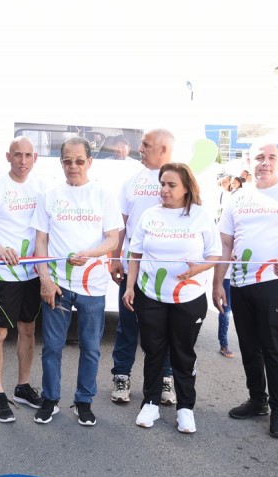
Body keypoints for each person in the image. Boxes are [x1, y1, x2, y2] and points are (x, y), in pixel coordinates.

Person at [213, 139, 278, 439]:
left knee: (274, 349)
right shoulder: (237, 198)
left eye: (271, 157)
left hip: (273, 284)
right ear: (249, 162)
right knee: (248, 347)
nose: (265, 162)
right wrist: (218, 283)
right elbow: (226, 245)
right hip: (240, 284)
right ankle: (258, 400)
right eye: (259, 157)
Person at [122, 163, 221, 433]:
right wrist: (130, 287)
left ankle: (186, 408)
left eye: (171, 185)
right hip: (150, 296)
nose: (164, 189)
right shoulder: (150, 215)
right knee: (153, 351)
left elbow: (215, 254)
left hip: (189, 298)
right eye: (162, 184)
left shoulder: (200, 216)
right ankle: (150, 403)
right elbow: (135, 254)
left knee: (183, 354)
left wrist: (197, 269)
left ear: (186, 188)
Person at [32, 137, 122, 426]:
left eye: (79, 161)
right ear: (61, 163)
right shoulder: (49, 196)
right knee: (52, 347)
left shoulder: (104, 195)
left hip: (93, 286)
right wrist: (45, 280)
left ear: (90, 162)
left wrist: (89, 254)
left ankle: (84, 401)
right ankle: (50, 399)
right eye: (67, 161)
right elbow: (41, 241)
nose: (73, 166)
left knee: (91, 347)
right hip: (57, 285)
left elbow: (113, 239)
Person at [0, 137, 46, 422]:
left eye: (28, 155)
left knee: (28, 329)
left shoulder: (42, 188)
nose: (23, 161)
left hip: (32, 273)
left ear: (35, 158)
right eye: (17, 155)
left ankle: (22, 387)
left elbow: (45, 230)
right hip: (4, 274)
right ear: (8, 156)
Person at [109, 129, 177, 405]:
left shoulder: (180, 180)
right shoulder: (131, 182)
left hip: (167, 273)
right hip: (132, 271)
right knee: (127, 326)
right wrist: (115, 257)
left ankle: (165, 379)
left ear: (163, 149)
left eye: (146, 145)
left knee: (166, 330)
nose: (140, 149)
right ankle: (121, 376)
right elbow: (121, 225)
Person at [214, 172, 234, 358]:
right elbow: (221, 246)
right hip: (227, 273)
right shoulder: (223, 219)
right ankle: (224, 343)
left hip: (245, 275)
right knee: (226, 309)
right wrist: (217, 282)